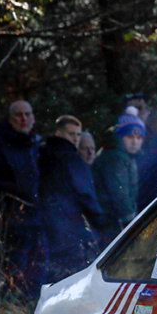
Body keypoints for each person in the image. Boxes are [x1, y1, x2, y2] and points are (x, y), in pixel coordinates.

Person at [0, 99, 45, 300]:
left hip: (38, 215)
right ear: (10, 119)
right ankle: (7, 306)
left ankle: (31, 305)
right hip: (13, 217)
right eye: (18, 115)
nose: (23, 119)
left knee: (38, 264)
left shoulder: (37, 143)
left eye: (27, 114)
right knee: (15, 265)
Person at [38, 115, 107, 281]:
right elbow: (86, 196)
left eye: (78, 135)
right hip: (69, 230)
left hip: (46, 227)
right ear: (59, 134)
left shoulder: (41, 156)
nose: (76, 139)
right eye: (71, 134)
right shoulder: (72, 160)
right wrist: (101, 223)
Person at [93, 109, 145, 243]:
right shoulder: (115, 158)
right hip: (109, 221)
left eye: (139, 138)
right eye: (130, 137)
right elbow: (119, 192)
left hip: (111, 221)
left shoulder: (125, 156)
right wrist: (129, 219)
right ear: (121, 137)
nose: (135, 142)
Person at [123, 93, 157, 211]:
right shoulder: (117, 140)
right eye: (132, 109)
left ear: (147, 112)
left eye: (140, 108)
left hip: (153, 206)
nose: (136, 113)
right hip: (127, 208)